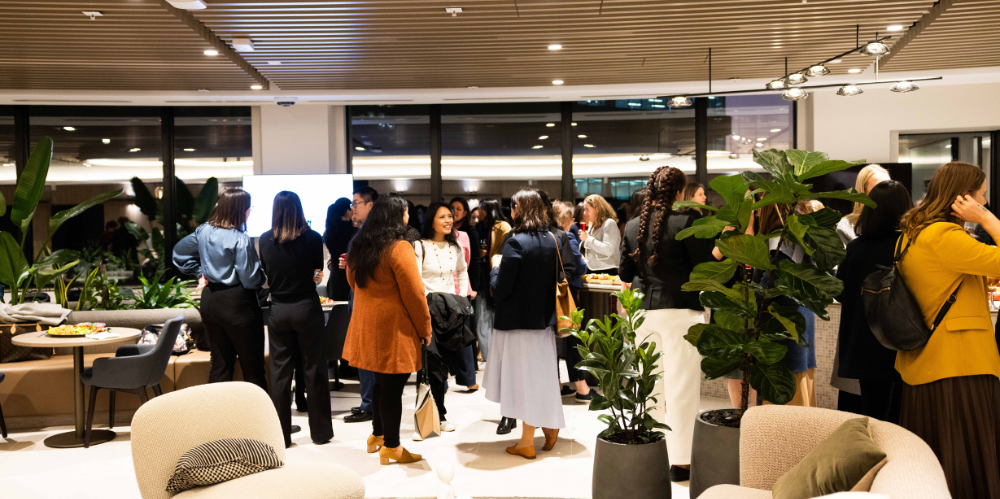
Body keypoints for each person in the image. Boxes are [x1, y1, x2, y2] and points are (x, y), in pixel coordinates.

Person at [896, 161, 1000, 498]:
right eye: (981, 197)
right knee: (964, 454)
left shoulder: (914, 232)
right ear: (962, 199)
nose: (984, 204)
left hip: (929, 359)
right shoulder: (944, 235)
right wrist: (989, 221)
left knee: (939, 451)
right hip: (958, 361)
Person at [619, 166, 717, 482]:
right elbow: (704, 267)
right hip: (682, 313)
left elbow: (624, 273)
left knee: (649, 386)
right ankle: (682, 462)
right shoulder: (688, 222)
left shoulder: (633, 225)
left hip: (644, 314)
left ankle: (652, 454)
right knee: (682, 389)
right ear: (679, 192)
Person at [342, 195, 431, 465]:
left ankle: (377, 435)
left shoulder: (360, 244)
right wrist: (425, 327)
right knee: (393, 386)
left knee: (382, 382)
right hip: (394, 327)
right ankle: (392, 446)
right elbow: (415, 294)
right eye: (406, 213)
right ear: (397, 216)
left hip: (366, 322)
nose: (408, 217)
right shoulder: (398, 246)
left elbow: (352, 281)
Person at [484, 188, 565, 460]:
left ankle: (527, 442)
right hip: (543, 322)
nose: (511, 211)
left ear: (521, 210)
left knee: (522, 382)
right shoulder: (550, 238)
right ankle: (550, 425)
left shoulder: (515, 242)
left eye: (514, 207)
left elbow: (502, 289)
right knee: (540, 378)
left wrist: (495, 267)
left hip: (517, 324)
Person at [173, 188, 267, 392]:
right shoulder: (240, 238)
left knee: (220, 365)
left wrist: (201, 272)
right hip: (237, 303)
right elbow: (251, 279)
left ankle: (216, 421)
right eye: (249, 208)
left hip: (210, 302)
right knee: (253, 370)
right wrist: (263, 274)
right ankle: (261, 422)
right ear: (242, 210)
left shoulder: (204, 230)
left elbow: (179, 253)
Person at [258, 191, 333, 447]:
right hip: (306, 307)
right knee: (314, 369)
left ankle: (282, 436)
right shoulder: (313, 238)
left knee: (279, 373)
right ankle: (321, 433)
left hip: (278, 309)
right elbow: (317, 273)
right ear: (299, 209)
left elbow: (266, 272)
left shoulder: (265, 240)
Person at [835, 180, 912, 424]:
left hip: (863, 341)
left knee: (872, 413)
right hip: (901, 339)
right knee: (899, 414)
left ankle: (872, 458)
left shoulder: (856, 247)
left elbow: (840, 291)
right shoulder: (908, 245)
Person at [833, 164, 890, 413]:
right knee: (857, 402)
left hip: (892, 323)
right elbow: (841, 282)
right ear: (862, 192)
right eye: (877, 187)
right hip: (861, 319)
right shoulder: (848, 227)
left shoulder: (905, 231)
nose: (883, 192)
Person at [414, 202, 472, 435]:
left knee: (445, 365)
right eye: (443, 217)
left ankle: (439, 414)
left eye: (450, 216)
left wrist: (461, 297)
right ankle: (431, 416)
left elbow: (462, 272)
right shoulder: (420, 246)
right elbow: (416, 278)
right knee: (430, 365)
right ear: (432, 221)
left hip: (451, 312)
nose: (449, 220)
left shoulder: (454, 247)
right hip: (428, 311)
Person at [474, 198, 514, 433]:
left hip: (497, 277)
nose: (477, 211)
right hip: (487, 274)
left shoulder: (503, 228)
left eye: (481, 207)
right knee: (484, 319)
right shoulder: (485, 226)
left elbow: (500, 255)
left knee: (492, 320)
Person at [345, 186, 379, 424]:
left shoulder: (374, 235)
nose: (352, 209)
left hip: (367, 300)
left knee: (368, 355)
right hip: (358, 297)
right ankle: (368, 402)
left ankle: (371, 404)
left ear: (371, 205)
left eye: (356, 203)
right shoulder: (362, 234)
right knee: (363, 355)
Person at [553, 201, 590, 402]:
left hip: (552, 293)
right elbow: (579, 266)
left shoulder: (548, 236)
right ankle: (582, 388)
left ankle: (557, 384)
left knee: (554, 341)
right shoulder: (567, 236)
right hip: (568, 294)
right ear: (565, 219)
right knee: (573, 339)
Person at [450, 196, 481, 391]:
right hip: (441, 291)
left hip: (462, 290)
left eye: (455, 210)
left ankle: (469, 378)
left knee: (464, 334)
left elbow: (469, 264)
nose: (450, 216)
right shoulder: (429, 241)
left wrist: (471, 286)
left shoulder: (465, 235)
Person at [836, 164, 891, 245]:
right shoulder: (846, 227)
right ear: (863, 192)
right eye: (879, 188)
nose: (887, 192)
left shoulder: (900, 223)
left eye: (890, 186)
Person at [579, 194, 621, 275]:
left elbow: (609, 250)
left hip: (607, 271)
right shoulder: (592, 225)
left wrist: (587, 239)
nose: (585, 213)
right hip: (592, 270)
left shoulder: (609, 223)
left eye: (587, 209)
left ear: (597, 209)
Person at [324, 197, 355, 301]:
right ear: (347, 211)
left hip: (335, 278)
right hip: (350, 277)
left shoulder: (328, 232)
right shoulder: (353, 230)